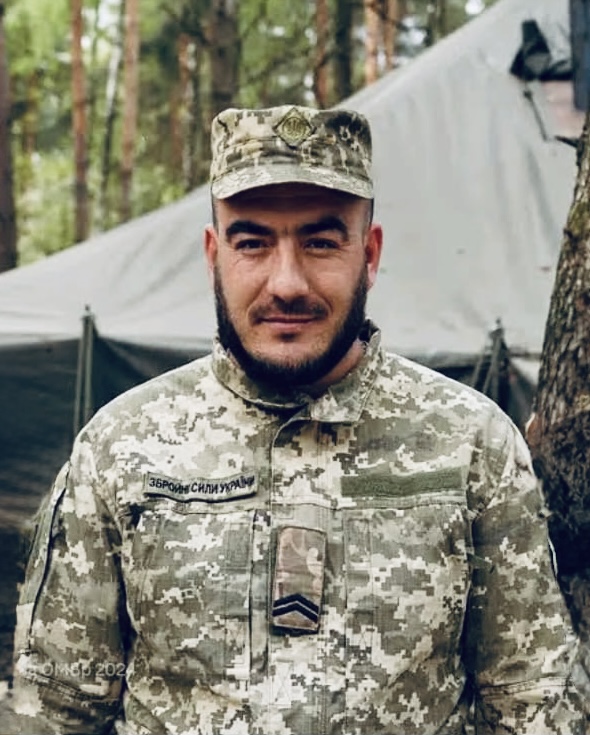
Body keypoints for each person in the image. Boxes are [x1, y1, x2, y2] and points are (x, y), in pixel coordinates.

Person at [9, 104, 590, 734]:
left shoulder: (471, 444)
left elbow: (535, 706)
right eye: (252, 242)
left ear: (369, 254)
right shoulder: (121, 446)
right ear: (213, 255)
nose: (286, 282)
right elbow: (56, 711)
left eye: (320, 242)